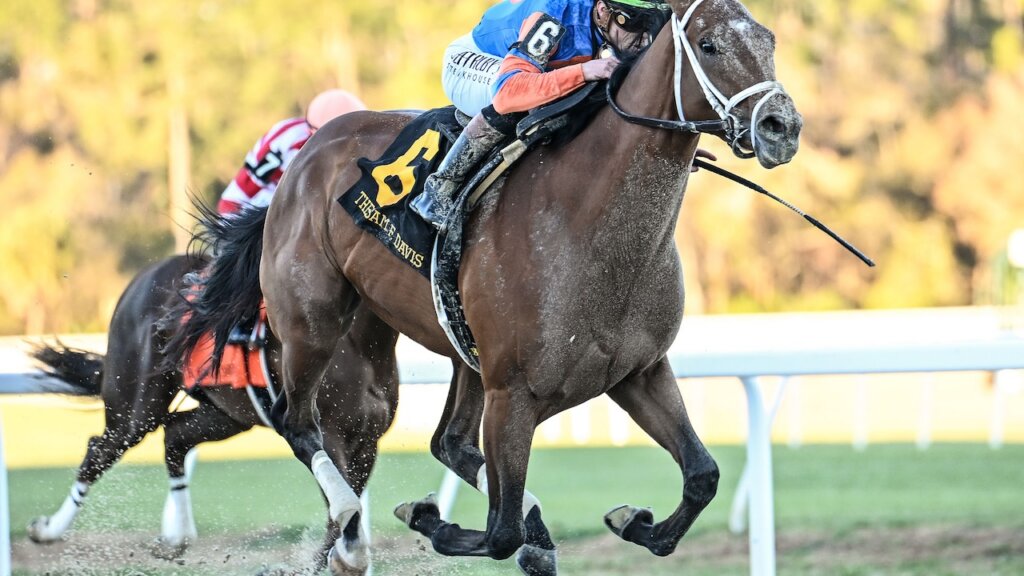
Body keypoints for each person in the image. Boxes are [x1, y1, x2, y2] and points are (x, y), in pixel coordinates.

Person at [411, 0, 714, 229]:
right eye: (636, 24)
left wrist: (658, 141)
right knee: (527, 100)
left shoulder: (608, 24)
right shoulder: (553, 18)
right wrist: (583, 70)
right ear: (603, 12)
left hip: (531, 66)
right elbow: (508, 93)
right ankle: (439, 188)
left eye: (652, 26)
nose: (643, 39)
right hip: (477, 63)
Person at [217, 88, 366, 215]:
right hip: (264, 212)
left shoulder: (365, 145)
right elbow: (237, 195)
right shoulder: (285, 141)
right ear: (312, 131)